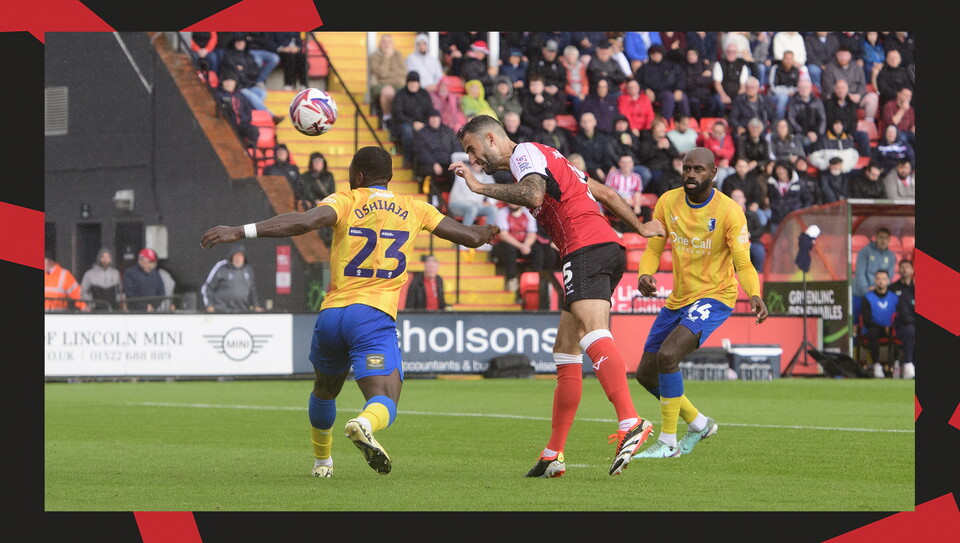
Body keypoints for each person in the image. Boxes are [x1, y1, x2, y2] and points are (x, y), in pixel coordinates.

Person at [199, 145, 499, 478]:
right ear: (390, 176)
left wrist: (241, 230)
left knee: (324, 390)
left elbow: (303, 222)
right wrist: (485, 231)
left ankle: (322, 462)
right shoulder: (416, 208)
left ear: (356, 176)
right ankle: (363, 424)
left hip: (332, 315)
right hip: (371, 316)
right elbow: (471, 237)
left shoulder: (345, 200)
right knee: (385, 397)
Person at [451, 114, 666, 477]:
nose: (473, 159)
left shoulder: (525, 155)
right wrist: (640, 226)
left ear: (491, 138)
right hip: (602, 246)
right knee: (566, 349)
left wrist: (478, 188)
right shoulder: (549, 156)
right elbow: (606, 193)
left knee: (594, 331)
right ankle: (554, 453)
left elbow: (533, 194)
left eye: (472, 149)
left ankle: (630, 420)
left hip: (585, 246)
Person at [632, 147, 768, 458]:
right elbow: (653, 249)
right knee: (645, 375)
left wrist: (755, 294)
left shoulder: (729, 211)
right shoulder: (668, 202)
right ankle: (699, 423)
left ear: (713, 174)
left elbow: (743, 264)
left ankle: (668, 442)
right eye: (687, 168)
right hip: (679, 298)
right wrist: (645, 273)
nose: (691, 174)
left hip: (716, 295)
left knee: (668, 355)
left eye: (698, 170)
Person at [218, 34, 283, 124]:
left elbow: (255, 72)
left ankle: (251, 111)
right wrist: (244, 72)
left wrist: (243, 70)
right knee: (250, 95)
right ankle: (270, 116)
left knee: (262, 93)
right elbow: (230, 73)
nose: (240, 43)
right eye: (238, 41)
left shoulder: (249, 56)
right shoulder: (229, 56)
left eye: (242, 41)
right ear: (234, 43)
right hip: (238, 88)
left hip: (249, 85)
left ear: (245, 43)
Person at [820, 45, 879, 125]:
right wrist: (846, 95)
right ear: (837, 55)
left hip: (856, 98)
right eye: (841, 55)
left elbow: (862, 84)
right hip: (838, 98)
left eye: (845, 55)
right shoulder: (830, 67)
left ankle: (869, 124)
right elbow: (828, 87)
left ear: (850, 56)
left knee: (872, 97)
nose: (843, 58)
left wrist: (858, 95)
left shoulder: (856, 66)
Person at [852, 227, 897, 328]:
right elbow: (860, 274)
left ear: (889, 240)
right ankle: (854, 342)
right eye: (880, 237)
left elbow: (890, 276)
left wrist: (878, 292)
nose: (883, 240)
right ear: (875, 238)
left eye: (886, 238)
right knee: (855, 322)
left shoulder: (891, 256)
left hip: (879, 295)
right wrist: (867, 292)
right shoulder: (865, 251)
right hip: (861, 293)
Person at [389, 71, 435, 168]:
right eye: (411, 82)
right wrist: (413, 123)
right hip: (403, 124)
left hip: (422, 124)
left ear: (419, 83)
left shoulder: (424, 94)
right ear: (407, 83)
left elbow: (430, 111)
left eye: (415, 82)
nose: (413, 84)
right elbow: (397, 113)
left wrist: (425, 124)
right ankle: (408, 160)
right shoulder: (401, 94)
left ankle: (426, 164)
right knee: (408, 131)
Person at [634, 44, 689, 122]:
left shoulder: (671, 65)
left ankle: (686, 122)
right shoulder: (644, 68)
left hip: (672, 90)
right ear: (650, 55)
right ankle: (666, 122)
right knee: (668, 96)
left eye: (658, 53)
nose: (656, 55)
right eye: (653, 53)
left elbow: (681, 78)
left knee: (683, 96)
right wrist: (646, 89)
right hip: (655, 93)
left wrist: (679, 89)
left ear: (662, 54)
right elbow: (637, 82)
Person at [492, 203, 539, 294]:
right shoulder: (502, 213)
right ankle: (512, 280)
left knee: (537, 249)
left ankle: (536, 277)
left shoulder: (528, 213)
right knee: (509, 249)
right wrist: (521, 246)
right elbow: (504, 235)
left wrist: (526, 245)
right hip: (505, 245)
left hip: (523, 244)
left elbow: (532, 234)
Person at [411, 109, 461, 194]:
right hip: (429, 164)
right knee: (428, 172)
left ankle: (451, 197)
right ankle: (429, 195)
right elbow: (421, 152)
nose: (434, 120)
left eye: (436, 118)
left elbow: (456, 146)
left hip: (448, 163)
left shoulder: (448, 131)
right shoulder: (422, 133)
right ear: (428, 119)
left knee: (457, 173)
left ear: (440, 119)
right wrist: (433, 164)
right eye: (432, 118)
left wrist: (456, 162)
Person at [200, 245, 263, 312]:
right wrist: (209, 305)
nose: (238, 258)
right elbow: (207, 288)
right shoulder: (221, 268)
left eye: (240, 255)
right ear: (231, 257)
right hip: (221, 312)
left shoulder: (248, 270)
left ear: (244, 258)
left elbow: (252, 290)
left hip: (242, 311)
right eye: (236, 255)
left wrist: (256, 306)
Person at [861, 269, 898, 378]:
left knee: (899, 332)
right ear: (875, 280)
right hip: (873, 328)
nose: (881, 281)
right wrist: (882, 326)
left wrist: (891, 326)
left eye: (883, 279)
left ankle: (894, 364)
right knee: (873, 332)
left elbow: (898, 316)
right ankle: (876, 364)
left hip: (890, 328)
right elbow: (866, 319)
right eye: (878, 279)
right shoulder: (867, 297)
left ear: (888, 281)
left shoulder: (894, 298)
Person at [446, 151, 498, 228]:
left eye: (480, 162)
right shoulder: (464, 169)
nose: (477, 164)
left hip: (476, 206)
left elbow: (495, 191)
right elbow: (454, 156)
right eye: (476, 162)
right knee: (472, 209)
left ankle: (486, 236)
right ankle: (466, 237)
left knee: (493, 209)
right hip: (456, 205)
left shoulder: (486, 176)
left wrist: (490, 202)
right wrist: (474, 157)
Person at [368, 33, 408, 125]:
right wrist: (386, 57)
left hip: (397, 83)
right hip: (380, 86)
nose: (386, 44)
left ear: (392, 44)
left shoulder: (398, 54)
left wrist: (387, 77)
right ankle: (387, 119)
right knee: (388, 91)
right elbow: (382, 73)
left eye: (389, 42)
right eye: (384, 41)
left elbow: (403, 73)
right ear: (380, 44)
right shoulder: (375, 56)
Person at [571, 111, 620, 184]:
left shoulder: (602, 137)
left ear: (595, 122)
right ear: (581, 124)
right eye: (584, 122)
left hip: (603, 167)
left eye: (589, 121)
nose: (587, 124)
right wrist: (596, 169)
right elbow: (581, 159)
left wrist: (611, 166)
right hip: (589, 169)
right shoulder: (577, 139)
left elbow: (607, 154)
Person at [214, 70, 259, 148]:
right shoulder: (218, 94)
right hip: (228, 126)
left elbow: (248, 111)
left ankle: (249, 147)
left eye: (231, 81)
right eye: (226, 81)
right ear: (222, 83)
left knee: (253, 130)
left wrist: (245, 121)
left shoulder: (240, 95)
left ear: (235, 83)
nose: (229, 83)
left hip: (242, 125)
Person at [766, 159, 813, 232]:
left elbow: (807, 198)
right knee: (775, 241)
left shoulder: (798, 183)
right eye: (778, 169)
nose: (780, 171)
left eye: (783, 169)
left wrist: (801, 211)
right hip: (777, 218)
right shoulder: (771, 183)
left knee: (793, 241)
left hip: (793, 218)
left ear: (788, 170)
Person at [786, 77, 827, 155]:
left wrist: (817, 133)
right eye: (801, 87)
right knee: (805, 142)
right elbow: (792, 120)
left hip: (816, 132)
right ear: (798, 89)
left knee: (823, 142)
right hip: (801, 133)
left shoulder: (817, 101)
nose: (804, 89)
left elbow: (822, 119)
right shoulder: (793, 102)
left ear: (811, 88)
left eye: (806, 87)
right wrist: (805, 132)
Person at [730, 188, 766, 272]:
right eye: (734, 197)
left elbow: (760, 230)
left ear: (744, 199)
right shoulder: (727, 215)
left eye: (739, 197)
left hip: (752, 241)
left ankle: (758, 275)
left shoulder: (752, 214)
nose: (737, 199)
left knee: (759, 251)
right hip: (733, 243)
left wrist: (750, 234)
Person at [890, 259, 916, 380]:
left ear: (912, 270)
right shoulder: (892, 288)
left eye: (907, 267)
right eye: (902, 267)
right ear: (898, 270)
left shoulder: (917, 288)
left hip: (913, 323)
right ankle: (908, 364)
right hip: (900, 324)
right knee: (909, 330)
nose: (905, 269)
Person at [638, 117, 681, 183]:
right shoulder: (647, 140)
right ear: (653, 129)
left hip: (668, 168)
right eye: (659, 127)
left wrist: (668, 147)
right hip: (654, 169)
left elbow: (676, 154)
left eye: (664, 127)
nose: (662, 129)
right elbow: (643, 157)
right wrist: (657, 147)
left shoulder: (666, 139)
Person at [681, 47, 720, 121]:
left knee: (712, 103)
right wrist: (701, 77)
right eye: (689, 55)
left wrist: (694, 80)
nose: (690, 56)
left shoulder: (703, 65)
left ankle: (705, 122)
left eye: (693, 54)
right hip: (691, 94)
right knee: (694, 103)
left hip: (705, 94)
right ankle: (699, 122)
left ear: (697, 56)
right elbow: (686, 83)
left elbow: (709, 80)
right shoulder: (684, 67)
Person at [123, 248, 166, 312]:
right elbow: (130, 294)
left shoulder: (155, 273)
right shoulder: (130, 273)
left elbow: (161, 292)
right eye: (149, 262)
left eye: (153, 263)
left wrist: (153, 306)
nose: (151, 266)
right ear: (140, 261)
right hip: (135, 312)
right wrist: (145, 307)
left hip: (152, 311)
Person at [712, 42, 750, 114]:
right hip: (722, 93)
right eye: (729, 51)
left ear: (736, 53)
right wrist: (723, 95)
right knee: (719, 102)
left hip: (737, 94)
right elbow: (717, 83)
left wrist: (736, 98)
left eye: (733, 52)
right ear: (726, 52)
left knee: (742, 102)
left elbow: (743, 86)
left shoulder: (742, 66)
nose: (731, 53)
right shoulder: (719, 64)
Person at [767, 50, 803, 121]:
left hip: (792, 95)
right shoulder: (775, 68)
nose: (788, 61)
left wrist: (793, 92)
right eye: (786, 58)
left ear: (793, 60)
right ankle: (779, 123)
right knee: (783, 98)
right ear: (782, 59)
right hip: (775, 96)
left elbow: (798, 86)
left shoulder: (796, 70)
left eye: (790, 59)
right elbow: (772, 87)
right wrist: (787, 92)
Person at [874, 49, 914, 113]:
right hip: (890, 100)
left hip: (905, 99)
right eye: (891, 58)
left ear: (899, 59)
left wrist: (906, 96)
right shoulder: (882, 72)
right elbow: (883, 90)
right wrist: (900, 96)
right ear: (887, 60)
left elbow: (909, 87)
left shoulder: (904, 72)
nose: (893, 60)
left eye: (895, 57)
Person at [560, 44, 589, 114]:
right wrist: (576, 94)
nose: (570, 57)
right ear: (565, 56)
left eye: (572, 55)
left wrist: (583, 93)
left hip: (581, 92)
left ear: (576, 56)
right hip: (570, 93)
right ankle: (579, 119)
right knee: (577, 100)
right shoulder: (562, 67)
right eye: (568, 55)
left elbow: (585, 82)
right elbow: (565, 84)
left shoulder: (581, 67)